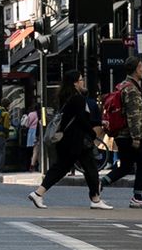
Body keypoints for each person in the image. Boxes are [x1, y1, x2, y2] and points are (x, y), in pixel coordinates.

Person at [29, 71, 112, 209]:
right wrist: (92, 133)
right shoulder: (77, 99)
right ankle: (96, 199)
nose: (83, 82)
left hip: (66, 140)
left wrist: (98, 122)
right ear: (75, 83)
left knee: (60, 168)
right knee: (90, 168)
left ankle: (38, 193)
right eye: (80, 80)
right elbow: (81, 120)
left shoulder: (65, 97)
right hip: (77, 141)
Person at [118, 58, 142, 208]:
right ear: (135, 69)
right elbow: (133, 115)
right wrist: (136, 137)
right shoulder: (132, 89)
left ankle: (101, 183)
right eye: (141, 67)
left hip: (123, 134)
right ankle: (138, 196)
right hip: (135, 134)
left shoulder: (122, 85)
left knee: (126, 166)